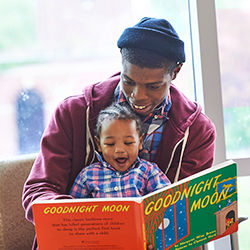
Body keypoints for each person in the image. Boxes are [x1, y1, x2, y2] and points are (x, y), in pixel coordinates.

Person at [22, 17, 216, 249]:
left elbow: (189, 208)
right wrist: (80, 224)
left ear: (175, 72)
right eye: (129, 81)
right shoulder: (72, 113)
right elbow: (38, 191)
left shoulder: (198, 131)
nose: (138, 96)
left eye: (153, 86)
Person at [70, 103, 171, 198]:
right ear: (99, 144)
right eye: (110, 144)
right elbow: (73, 210)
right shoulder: (88, 175)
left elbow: (168, 203)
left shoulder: (149, 171)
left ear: (140, 142)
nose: (119, 150)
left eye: (128, 143)